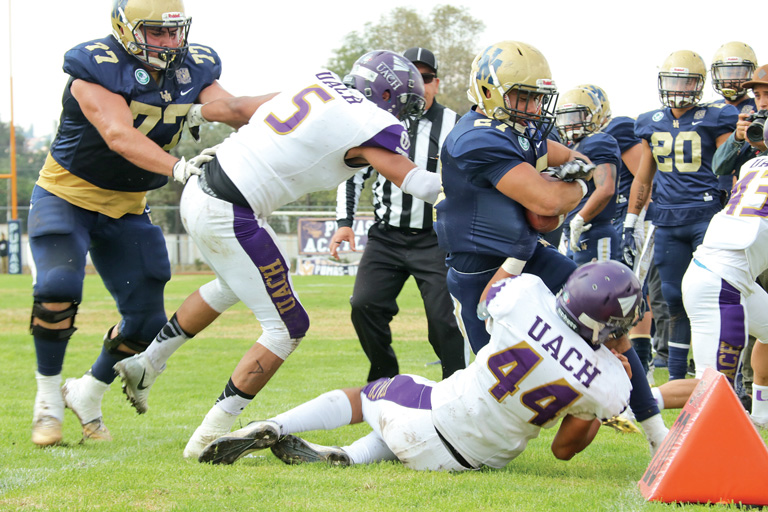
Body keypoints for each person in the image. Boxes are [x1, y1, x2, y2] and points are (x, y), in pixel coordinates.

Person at [113, 50, 444, 459]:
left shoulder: (314, 84)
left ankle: (147, 363)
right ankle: (208, 436)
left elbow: (235, 108)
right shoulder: (368, 122)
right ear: (389, 97)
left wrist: (193, 113)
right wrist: (471, 190)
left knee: (231, 285)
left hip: (201, 188)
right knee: (289, 326)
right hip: (231, 212)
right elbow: (414, 181)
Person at [432, 41, 668, 452]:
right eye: (521, 96)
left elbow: (576, 158)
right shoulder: (473, 138)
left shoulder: (515, 131)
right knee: (496, 383)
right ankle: (456, 436)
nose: (531, 109)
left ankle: (657, 436)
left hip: (530, 255)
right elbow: (548, 202)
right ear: (488, 91)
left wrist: (573, 175)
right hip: (481, 272)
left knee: (612, 314)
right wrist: (575, 185)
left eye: (537, 99)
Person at [196, 261, 639, 470]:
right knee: (405, 428)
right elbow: (564, 449)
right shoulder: (610, 380)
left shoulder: (529, 298)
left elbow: (488, 300)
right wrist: (602, 401)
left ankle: (272, 423)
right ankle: (348, 456)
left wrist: (514, 258)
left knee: (372, 394)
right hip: (478, 462)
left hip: (436, 417)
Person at [28, 0, 232, 447]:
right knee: (58, 287)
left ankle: (88, 392)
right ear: (125, 29)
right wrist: (177, 169)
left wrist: (300, 106)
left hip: (126, 205)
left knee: (145, 322)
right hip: (68, 196)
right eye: (156, 32)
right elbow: (119, 135)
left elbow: (230, 108)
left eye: (175, 32)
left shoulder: (194, 66)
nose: (169, 42)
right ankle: (47, 402)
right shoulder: (94, 66)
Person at [329, 47, 465, 382]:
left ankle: (456, 389)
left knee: (445, 320)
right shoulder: (381, 119)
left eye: (428, 77)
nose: (423, 84)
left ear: (437, 83)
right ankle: (383, 381)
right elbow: (353, 172)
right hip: (386, 236)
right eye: (416, 77)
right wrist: (344, 224)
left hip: (436, 239)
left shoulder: (456, 125)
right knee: (364, 305)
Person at [621, 50, 738, 381]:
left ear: (699, 84)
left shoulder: (716, 116)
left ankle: (720, 376)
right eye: (672, 79)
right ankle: (675, 379)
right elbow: (643, 178)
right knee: (673, 299)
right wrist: (631, 222)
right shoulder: (650, 122)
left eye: (686, 80)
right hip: (668, 220)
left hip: (706, 216)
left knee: (709, 295)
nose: (678, 87)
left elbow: (729, 165)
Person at [648, 143, 768, 426]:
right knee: (714, 387)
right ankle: (627, 403)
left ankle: (762, 415)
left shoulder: (753, 165)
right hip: (722, 284)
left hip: (722, 274)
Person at [555, 87, 621, 264]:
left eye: (576, 117)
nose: (570, 123)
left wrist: (580, 219)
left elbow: (606, 188)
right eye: (566, 117)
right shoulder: (571, 147)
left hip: (593, 229)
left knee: (600, 289)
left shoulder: (598, 141)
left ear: (593, 116)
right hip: (572, 232)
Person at [710, 42, 758, 195]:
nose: (731, 79)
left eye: (738, 73)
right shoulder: (708, 110)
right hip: (710, 189)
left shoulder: (759, 106)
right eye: (726, 73)